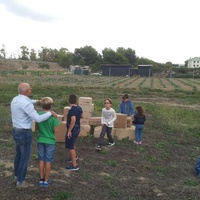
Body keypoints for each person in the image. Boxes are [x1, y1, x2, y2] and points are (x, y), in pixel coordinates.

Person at [11, 83, 57, 188]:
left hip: (16, 130)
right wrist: (50, 113)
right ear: (28, 91)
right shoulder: (27, 104)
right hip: (24, 132)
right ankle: (21, 182)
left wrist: (37, 101)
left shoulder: (15, 99)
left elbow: (27, 101)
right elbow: (37, 118)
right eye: (30, 89)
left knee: (18, 154)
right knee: (24, 157)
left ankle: (17, 176)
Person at [37, 97, 60, 187]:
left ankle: (41, 179)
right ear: (51, 106)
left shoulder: (39, 115)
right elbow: (56, 131)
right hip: (50, 141)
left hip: (41, 139)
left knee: (41, 160)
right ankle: (46, 180)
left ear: (42, 105)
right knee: (48, 160)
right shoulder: (53, 117)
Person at [65, 94, 83, 171]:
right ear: (76, 100)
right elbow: (82, 116)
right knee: (73, 143)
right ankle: (74, 157)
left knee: (70, 146)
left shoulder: (71, 110)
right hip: (78, 128)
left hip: (73, 129)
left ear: (68, 101)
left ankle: (74, 165)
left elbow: (73, 120)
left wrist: (69, 130)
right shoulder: (79, 108)